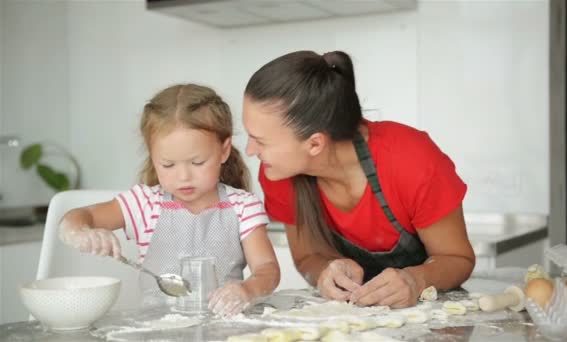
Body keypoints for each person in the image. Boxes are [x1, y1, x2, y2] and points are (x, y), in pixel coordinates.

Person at [242, 50, 475, 309]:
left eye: (260, 141)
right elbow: (308, 256)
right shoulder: (279, 173)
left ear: (315, 143)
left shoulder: (410, 158)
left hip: (430, 316)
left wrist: (416, 280)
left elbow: (456, 258)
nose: (249, 151)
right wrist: (324, 272)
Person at [59, 84, 279, 316]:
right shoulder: (144, 204)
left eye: (197, 163)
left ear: (223, 151)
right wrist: (81, 230)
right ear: (152, 156)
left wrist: (247, 290)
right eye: (168, 165)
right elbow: (78, 217)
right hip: (157, 331)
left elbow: (267, 270)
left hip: (226, 332)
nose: (183, 177)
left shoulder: (243, 207)